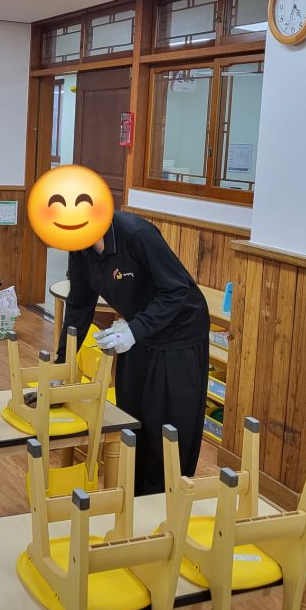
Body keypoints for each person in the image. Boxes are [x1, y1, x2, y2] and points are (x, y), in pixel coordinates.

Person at [56, 209, 210, 495]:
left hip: (178, 334)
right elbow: (78, 306)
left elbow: (176, 289)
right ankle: (134, 501)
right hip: (137, 330)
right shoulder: (80, 249)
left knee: (166, 428)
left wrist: (134, 330)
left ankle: (164, 503)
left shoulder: (136, 234)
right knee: (131, 420)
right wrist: (60, 364)